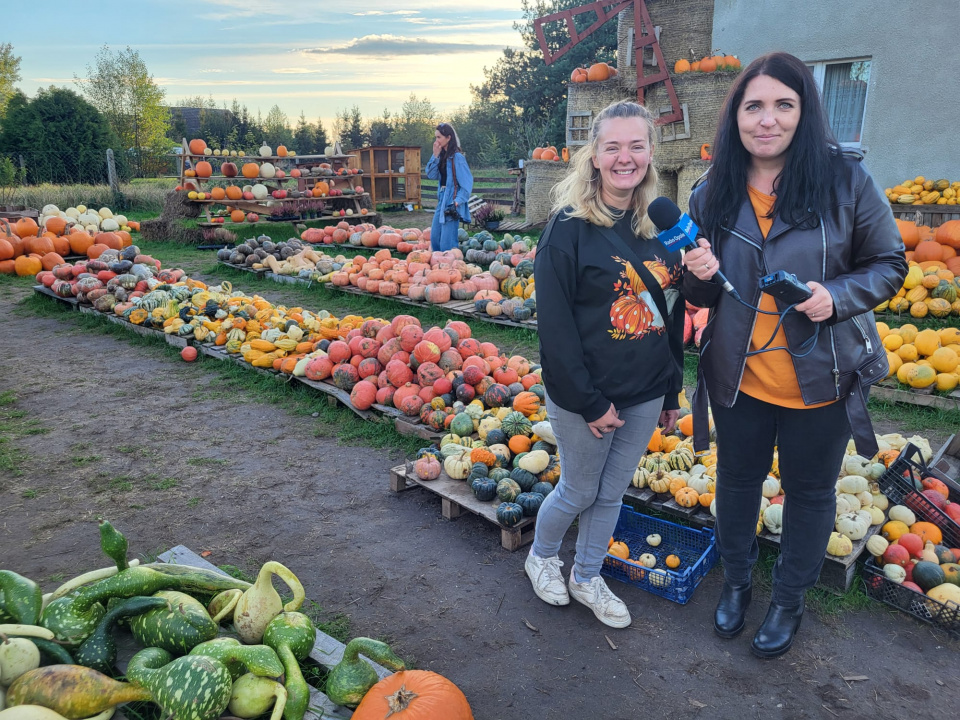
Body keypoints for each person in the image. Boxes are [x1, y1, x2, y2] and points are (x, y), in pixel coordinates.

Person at [682, 52, 907, 657]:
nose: (767, 119)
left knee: (810, 493)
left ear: (804, 112)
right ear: (736, 117)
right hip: (739, 376)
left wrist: (832, 296)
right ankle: (735, 583)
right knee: (736, 483)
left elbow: (889, 264)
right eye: (753, 106)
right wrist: (695, 274)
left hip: (823, 376)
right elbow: (701, 292)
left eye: (784, 105)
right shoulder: (714, 190)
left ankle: (788, 600)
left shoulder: (846, 182)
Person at [526, 100, 685, 629]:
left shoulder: (660, 225)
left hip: (645, 389)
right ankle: (542, 557)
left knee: (612, 492)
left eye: (636, 146)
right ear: (593, 156)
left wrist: (670, 389)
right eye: (612, 146)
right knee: (579, 488)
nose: (625, 157)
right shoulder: (566, 230)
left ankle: (588, 575)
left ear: (649, 154)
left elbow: (672, 310)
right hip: (585, 393)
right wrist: (589, 401)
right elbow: (555, 328)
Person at [424, 123, 473, 251]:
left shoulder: (457, 158)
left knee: (447, 240)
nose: (436, 141)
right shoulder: (440, 156)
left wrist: (458, 201)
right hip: (442, 197)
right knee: (435, 235)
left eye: (439, 137)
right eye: (436, 137)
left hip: (452, 200)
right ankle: (437, 266)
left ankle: (451, 265)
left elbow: (467, 183)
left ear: (449, 137)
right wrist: (435, 156)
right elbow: (431, 174)